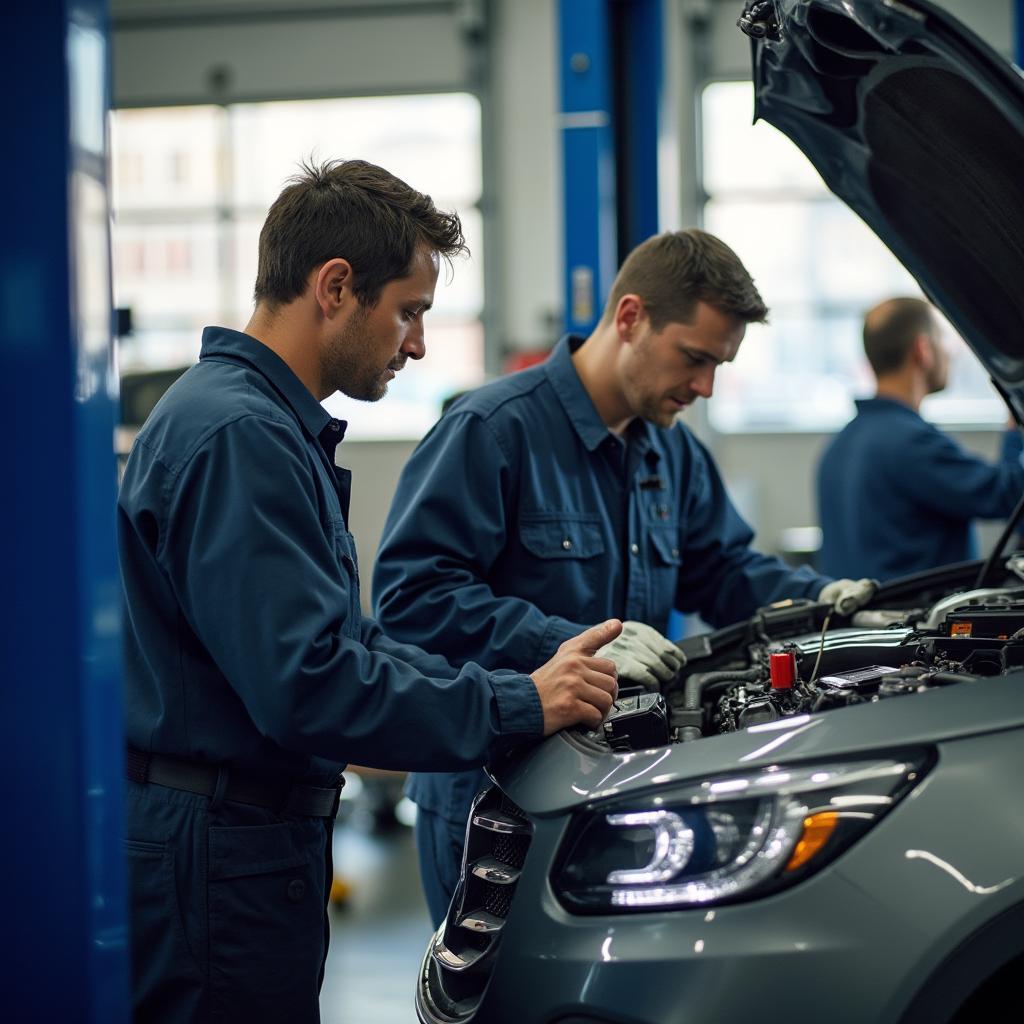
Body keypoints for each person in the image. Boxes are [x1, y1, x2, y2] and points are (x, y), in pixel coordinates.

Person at [117, 158, 623, 1024]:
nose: (418, 344)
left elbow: (348, 641)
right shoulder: (240, 436)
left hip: (246, 845)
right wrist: (513, 705)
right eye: (410, 312)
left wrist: (526, 689)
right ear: (336, 287)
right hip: (219, 855)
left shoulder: (260, 425)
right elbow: (311, 685)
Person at [372, 228, 875, 927]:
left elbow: (723, 569)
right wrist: (568, 641)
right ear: (631, 317)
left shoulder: (672, 454)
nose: (704, 388)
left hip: (617, 792)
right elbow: (410, 599)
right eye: (694, 359)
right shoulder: (492, 431)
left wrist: (818, 600)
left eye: (719, 367)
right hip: (494, 807)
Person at [817, 296, 1024, 581]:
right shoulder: (910, 443)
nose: (950, 352)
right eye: (942, 339)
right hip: (917, 620)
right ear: (922, 350)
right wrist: (1016, 428)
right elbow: (1009, 496)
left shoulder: (839, 446)